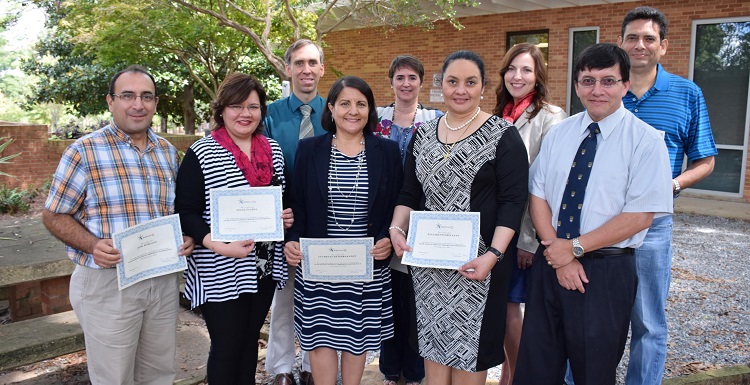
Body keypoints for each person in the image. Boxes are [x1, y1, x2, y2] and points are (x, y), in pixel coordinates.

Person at [513, 43, 673, 385]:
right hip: (550, 263)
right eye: (588, 80)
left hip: (605, 272)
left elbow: (640, 216)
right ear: (576, 85)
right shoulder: (560, 134)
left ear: (625, 85)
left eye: (608, 81)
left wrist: (573, 250)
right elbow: (537, 194)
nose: (597, 90)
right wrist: (558, 251)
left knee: (593, 373)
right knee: (536, 369)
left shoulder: (646, 142)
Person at [42, 65, 195, 385]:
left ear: (155, 104)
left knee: (159, 374)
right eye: (128, 96)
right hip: (108, 284)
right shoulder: (83, 152)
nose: (137, 104)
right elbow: (54, 215)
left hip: (161, 280)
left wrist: (186, 236)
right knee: (114, 377)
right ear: (111, 102)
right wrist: (92, 245)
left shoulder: (167, 153)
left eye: (146, 96)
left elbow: (173, 211)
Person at [389, 50, 528, 385]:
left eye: (470, 82)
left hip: (478, 267)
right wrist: (396, 228)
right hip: (429, 268)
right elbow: (410, 192)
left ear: (483, 87)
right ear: (442, 86)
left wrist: (493, 255)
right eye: (453, 81)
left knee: (470, 356)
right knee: (434, 353)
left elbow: (513, 202)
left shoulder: (503, 135)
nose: (461, 90)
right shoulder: (423, 134)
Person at [618, 7, 718, 385]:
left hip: (654, 224)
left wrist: (672, 185)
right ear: (621, 43)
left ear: (663, 45)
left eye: (648, 38)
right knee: (592, 313)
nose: (639, 45)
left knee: (648, 320)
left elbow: (705, 160)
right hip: (601, 221)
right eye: (632, 38)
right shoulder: (607, 88)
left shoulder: (687, 94)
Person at [283, 75, 403, 385]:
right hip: (319, 263)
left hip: (366, 265)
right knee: (320, 337)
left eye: (361, 104)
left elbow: (396, 204)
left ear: (370, 110)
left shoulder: (387, 152)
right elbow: (297, 202)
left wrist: (388, 238)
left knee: (357, 337)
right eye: (345, 103)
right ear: (332, 108)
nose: (353, 111)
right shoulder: (309, 149)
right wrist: (293, 241)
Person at [175, 73, 293, 385]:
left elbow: (282, 200)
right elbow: (185, 212)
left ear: (262, 111)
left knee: (248, 341)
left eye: (253, 107)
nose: (245, 114)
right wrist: (217, 243)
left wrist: (285, 216)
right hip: (218, 264)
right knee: (227, 346)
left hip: (263, 266)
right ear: (221, 109)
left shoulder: (273, 150)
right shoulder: (202, 152)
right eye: (236, 106)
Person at [493, 42, 567, 385]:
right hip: (496, 229)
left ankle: (520, 378)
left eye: (525, 69)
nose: (517, 76)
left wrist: (528, 239)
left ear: (538, 75)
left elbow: (543, 185)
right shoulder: (499, 114)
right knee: (503, 310)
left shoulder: (551, 117)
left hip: (524, 233)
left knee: (512, 309)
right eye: (511, 68)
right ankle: (510, 376)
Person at [375, 54, 443, 385]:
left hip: (422, 218)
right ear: (391, 82)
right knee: (387, 296)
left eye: (412, 77)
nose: (406, 83)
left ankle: (415, 372)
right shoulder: (376, 118)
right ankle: (390, 370)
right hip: (379, 215)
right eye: (400, 77)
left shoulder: (435, 119)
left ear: (421, 81)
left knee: (417, 299)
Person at [264, 38, 326, 385]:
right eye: (299, 63)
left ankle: (312, 366)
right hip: (284, 218)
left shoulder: (336, 110)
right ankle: (282, 367)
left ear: (321, 67)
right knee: (284, 295)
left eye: (312, 62)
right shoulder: (269, 115)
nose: (306, 69)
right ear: (288, 68)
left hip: (327, 220)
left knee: (320, 297)